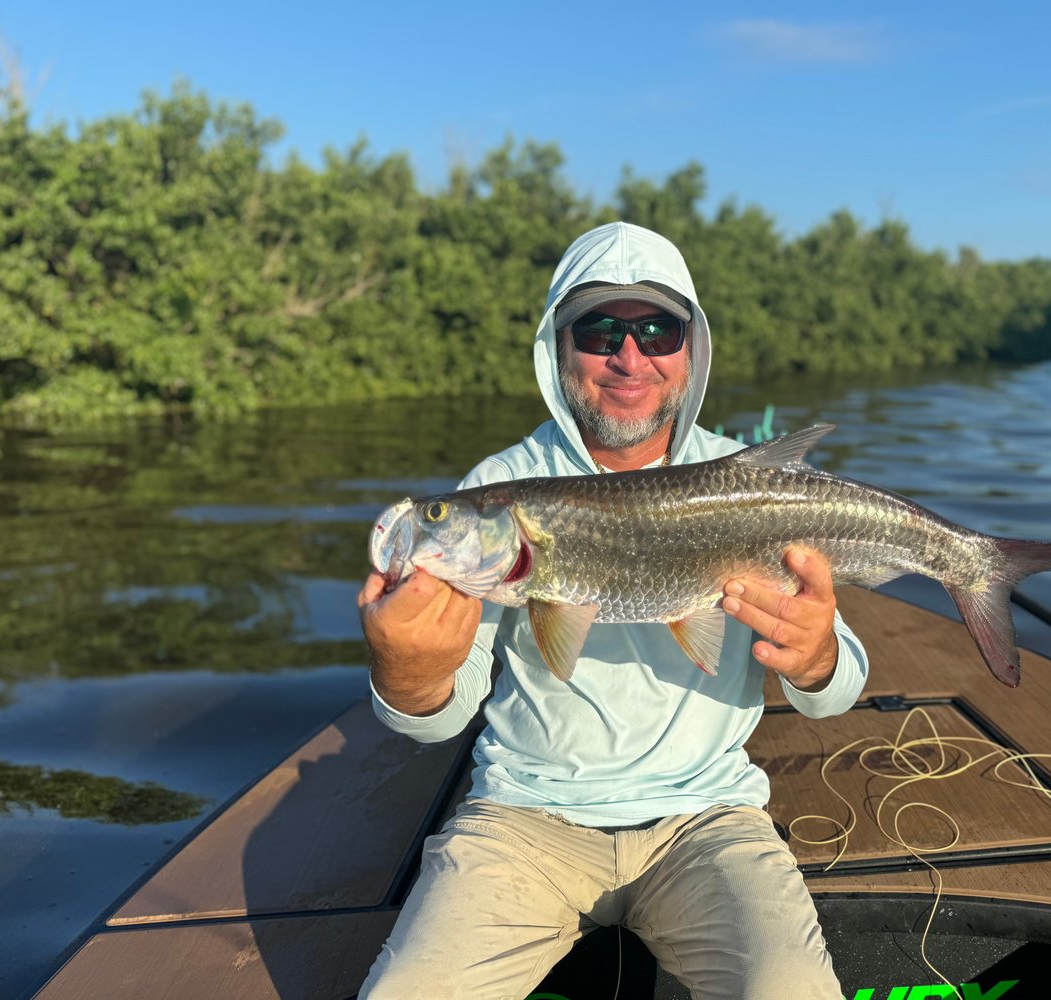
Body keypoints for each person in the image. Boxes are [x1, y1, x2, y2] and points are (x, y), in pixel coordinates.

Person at [356, 221, 869, 1000]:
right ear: (556, 347)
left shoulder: (745, 480)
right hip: (524, 818)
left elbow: (837, 690)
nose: (629, 357)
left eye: (657, 329)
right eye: (598, 329)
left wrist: (819, 656)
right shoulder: (502, 483)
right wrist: (406, 676)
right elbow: (439, 716)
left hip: (708, 816)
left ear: (691, 348)